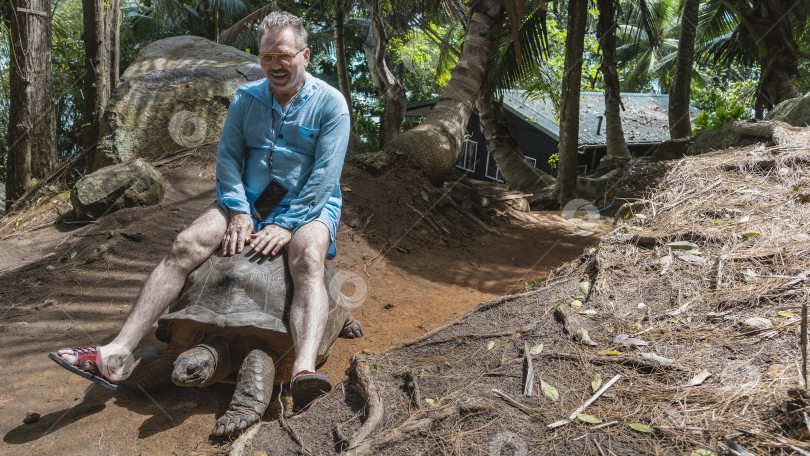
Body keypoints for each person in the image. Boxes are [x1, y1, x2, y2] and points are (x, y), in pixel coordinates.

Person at [49, 11, 351, 407]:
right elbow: (227, 161)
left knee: (308, 256)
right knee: (185, 244)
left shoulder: (332, 104)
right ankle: (116, 353)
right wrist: (241, 212)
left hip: (308, 204)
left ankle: (303, 369)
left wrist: (288, 223)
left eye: (284, 55)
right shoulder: (246, 99)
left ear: (305, 55)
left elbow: (325, 177)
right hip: (249, 200)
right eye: (266, 57)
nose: (275, 64)